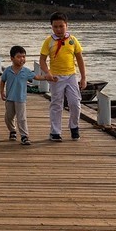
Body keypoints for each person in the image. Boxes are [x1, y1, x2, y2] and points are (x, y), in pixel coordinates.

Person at [39, 12, 87, 142]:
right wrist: (47, 73)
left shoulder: (73, 40)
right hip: (56, 77)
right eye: (55, 27)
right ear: (51, 27)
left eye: (61, 26)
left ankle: (74, 126)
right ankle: (55, 132)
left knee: (75, 103)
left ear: (66, 25)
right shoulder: (49, 41)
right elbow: (42, 60)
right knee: (56, 104)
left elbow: (80, 59)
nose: (59, 29)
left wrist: (83, 78)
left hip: (71, 76)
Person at [0, 45, 35, 145]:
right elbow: (2, 81)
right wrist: (2, 92)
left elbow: (36, 77)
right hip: (9, 98)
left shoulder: (26, 71)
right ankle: (12, 130)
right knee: (9, 117)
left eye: (23, 57)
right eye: (19, 57)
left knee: (21, 118)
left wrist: (47, 77)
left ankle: (24, 136)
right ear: (12, 58)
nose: (22, 59)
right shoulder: (8, 70)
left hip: (21, 99)